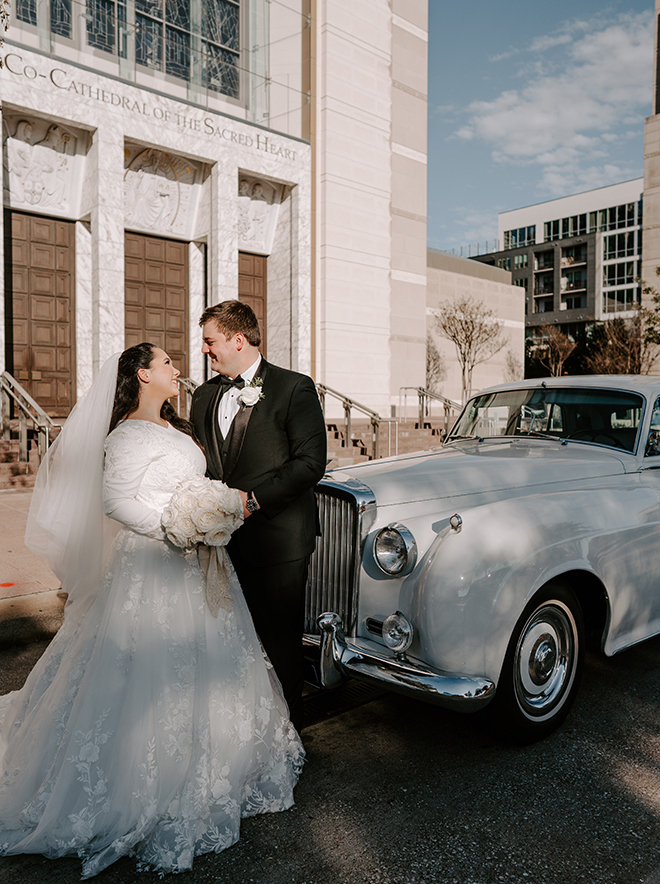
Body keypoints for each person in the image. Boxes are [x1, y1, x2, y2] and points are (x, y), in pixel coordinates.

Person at [0, 343, 304, 879]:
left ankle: (220, 768)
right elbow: (116, 501)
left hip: (200, 561)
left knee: (212, 663)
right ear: (143, 375)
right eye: (167, 364)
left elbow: (192, 485)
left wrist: (208, 511)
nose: (177, 369)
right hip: (154, 562)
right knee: (148, 671)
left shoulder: (175, 430)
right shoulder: (124, 436)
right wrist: (174, 527)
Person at [190, 302, 327, 731]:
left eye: (210, 341)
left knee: (280, 645)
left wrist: (251, 501)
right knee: (230, 642)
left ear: (237, 339)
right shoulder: (204, 395)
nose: (205, 350)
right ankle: (243, 735)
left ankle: (289, 739)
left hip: (280, 540)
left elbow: (310, 463)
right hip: (221, 543)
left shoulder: (292, 388)